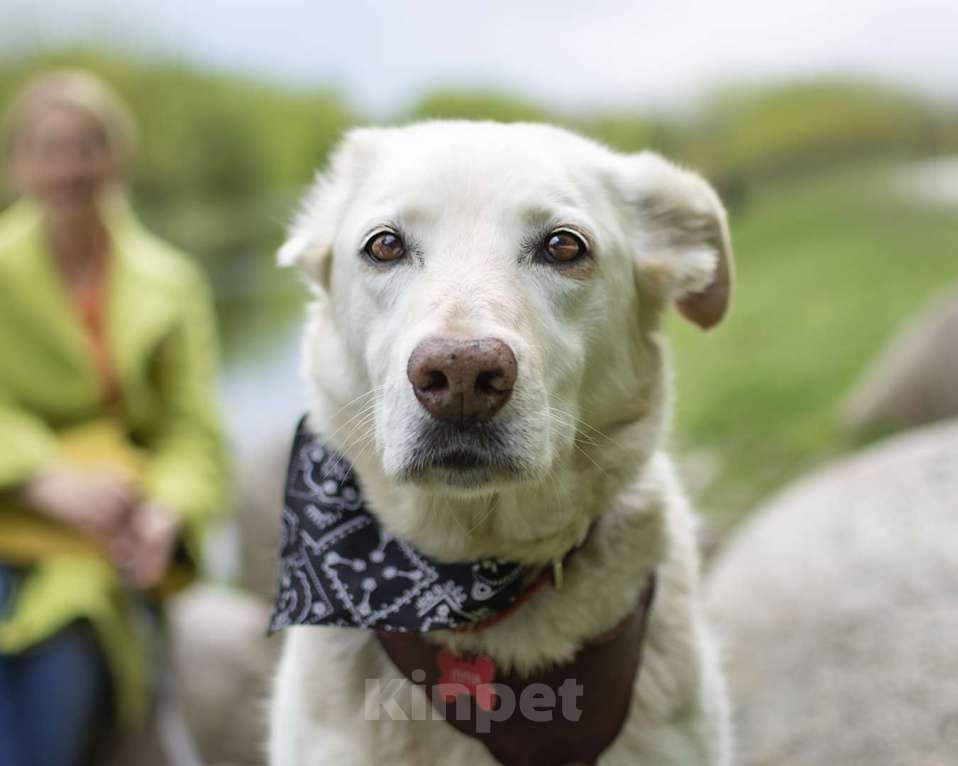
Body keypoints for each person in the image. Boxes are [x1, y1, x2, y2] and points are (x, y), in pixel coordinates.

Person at [0, 70, 228, 766]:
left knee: (68, 652)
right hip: (15, 521)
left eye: (88, 146)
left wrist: (165, 511)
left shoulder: (171, 280)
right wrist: (41, 476)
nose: (71, 167)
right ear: (18, 164)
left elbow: (194, 432)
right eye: (51, 149)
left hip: (120, 539)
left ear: (117, 157)